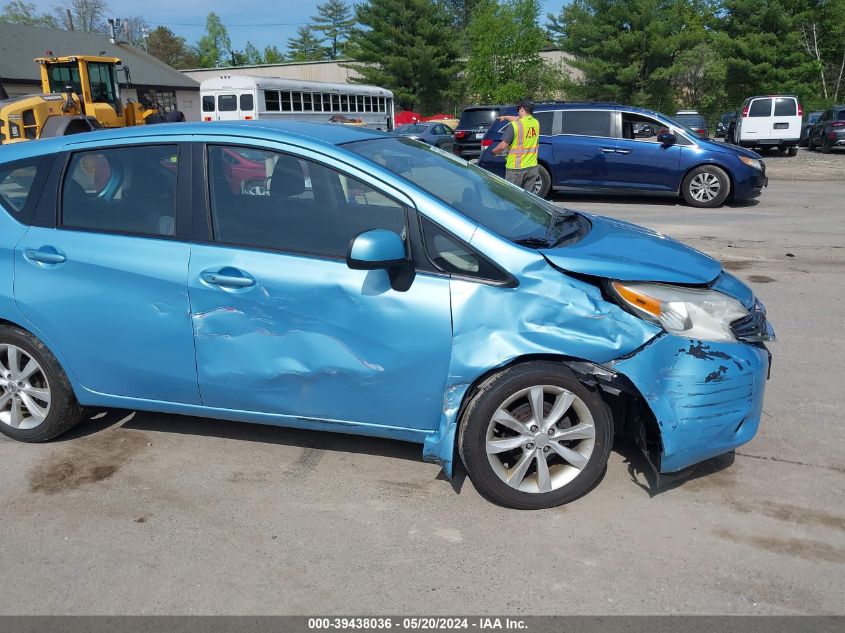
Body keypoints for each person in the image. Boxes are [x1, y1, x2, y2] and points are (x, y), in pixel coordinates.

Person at [490, 99, 540, 192]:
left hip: (516, 169)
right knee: (528, 199)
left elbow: (502, 146)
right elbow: (518, 119)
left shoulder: (514, 126)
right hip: (532, 168)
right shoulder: (535, 123)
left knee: (512, 198)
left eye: (518, 109)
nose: (517, 112)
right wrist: (505, 117)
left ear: (522, 109)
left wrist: (493, 152)